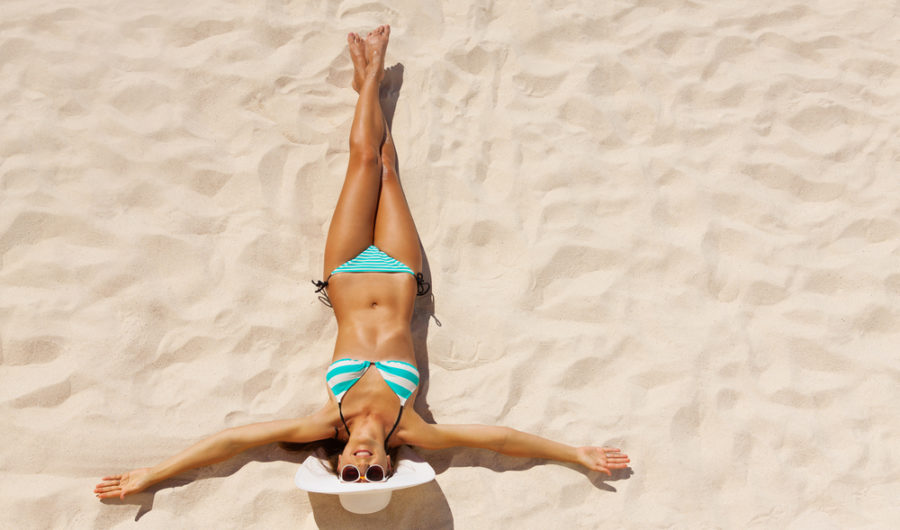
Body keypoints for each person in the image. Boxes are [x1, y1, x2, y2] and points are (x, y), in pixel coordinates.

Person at [94, 25, 630, 501]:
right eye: (375, 475)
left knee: (362, 161)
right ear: (390, 467)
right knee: (387, 167)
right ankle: (366, 84)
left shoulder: (326, 422)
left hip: (346, 269)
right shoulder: (413, 429)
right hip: (398, 270)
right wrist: (574, 453)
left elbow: (233, 441)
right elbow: (501, 439)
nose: (363, 466)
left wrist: (154, 474)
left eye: (351, 474)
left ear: (339, 463)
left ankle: (368, 79)